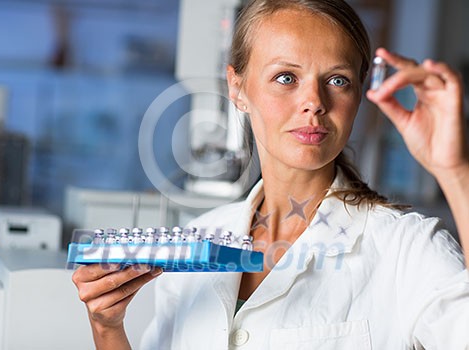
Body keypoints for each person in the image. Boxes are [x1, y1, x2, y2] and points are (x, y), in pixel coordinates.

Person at [72, 0, 469, 349]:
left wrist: (454, 172)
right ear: (238, 87)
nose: (314, 102)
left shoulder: (408, 249)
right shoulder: (200, 240)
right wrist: (107, 329)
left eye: (337, 80)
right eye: (286, 78)